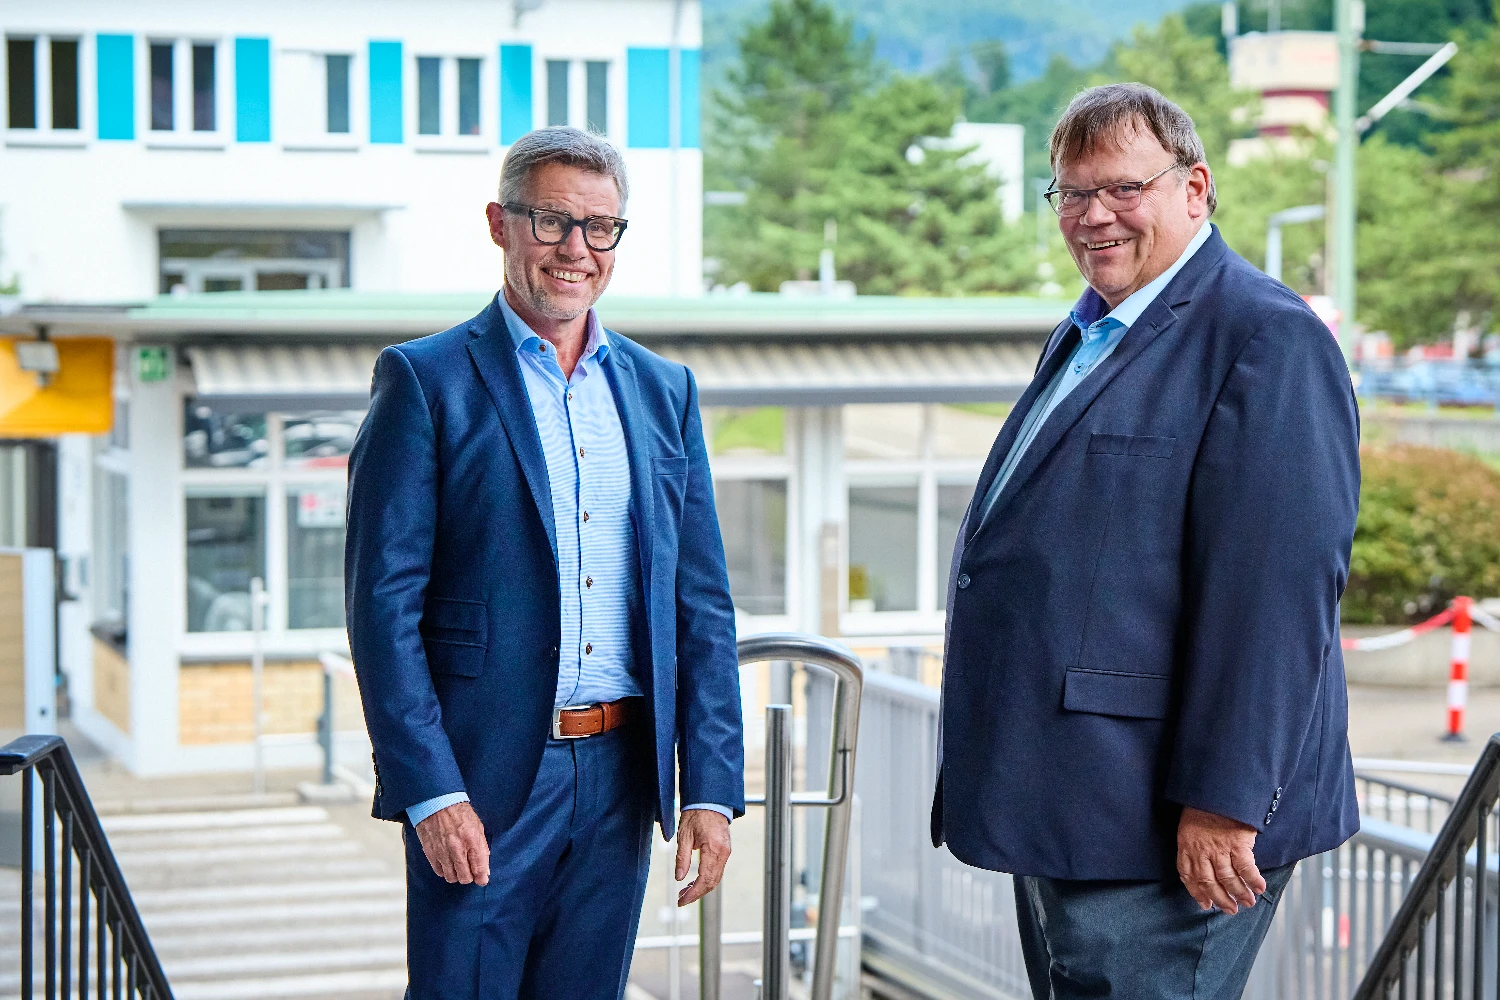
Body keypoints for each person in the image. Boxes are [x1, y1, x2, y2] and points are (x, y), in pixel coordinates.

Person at [932, 83, 1360, 1000]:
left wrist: (1226, 802)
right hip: (1073, 801)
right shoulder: (1092, 330)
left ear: (1196, 189)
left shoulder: (1265, 337)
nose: (1094, 217)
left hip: (1168, 821)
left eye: (1124, 189)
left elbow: (1276, 598)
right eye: (1071, 194)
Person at [345, 126, 744, 1000]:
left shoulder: (661, 389)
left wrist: (710, 787)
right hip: (482, 776)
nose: (576, 250)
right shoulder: (425, 380)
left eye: (601, 227)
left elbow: (700, 604)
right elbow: (383, 607)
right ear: (500, 223)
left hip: (620, 777)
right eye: (552, 222)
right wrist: (430, 791)